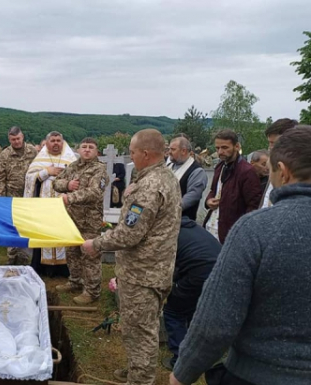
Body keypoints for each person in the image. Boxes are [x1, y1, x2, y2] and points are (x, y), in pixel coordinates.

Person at [170, 126, 311, 385]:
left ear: (284, 171)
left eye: (272, 170)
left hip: (256, 373)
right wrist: (211, 201)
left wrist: (183, 373)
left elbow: (217, 320)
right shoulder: (223, 170)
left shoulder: (255, 230)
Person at [82, 129, 181, 385]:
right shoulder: (165, 177)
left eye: (134, 152)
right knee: (138, 328)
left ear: (146, 153)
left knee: (140, 334)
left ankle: (140, 380)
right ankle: (136, 369)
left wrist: (96, 243)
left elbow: (128, 235)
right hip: (155, 268)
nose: (132, 156)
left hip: (142, 274)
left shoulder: (149, 186)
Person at [53, 137, 109, 304]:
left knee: (90, 255)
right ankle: (75, 281)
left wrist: (70, 198)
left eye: (90, 147)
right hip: (72, 219)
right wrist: (68, 185)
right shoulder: (73, 167)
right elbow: (56, 183)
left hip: (89, 220)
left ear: (96, 151)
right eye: (83, 146)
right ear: (78, 150)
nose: (86, 149)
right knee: (72, 253)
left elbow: (94, 193)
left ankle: (92, 291)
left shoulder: (100, 170)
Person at [162, 216, 221, 371]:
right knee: (192, 309)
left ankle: (180, 361)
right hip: (220, 271)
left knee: (173, 312)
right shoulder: (193, 228)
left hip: (199, 273)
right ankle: (196, 350)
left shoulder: (170, 235)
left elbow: (167, 268)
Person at [24, 131, 77, 276]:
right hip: (44, 206)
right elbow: (30, 179)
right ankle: (41, 267)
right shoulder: (40, 159)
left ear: (63, 142)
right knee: (44, 234)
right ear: (47, 143)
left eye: (58, 140)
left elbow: (78, 180)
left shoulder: (70, 159)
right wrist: (47, 171)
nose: (55, 143)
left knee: (62, 234)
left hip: (64, 205)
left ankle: (63, 269)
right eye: (52, 140)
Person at [203, 130, 262, 244]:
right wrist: (208, 201)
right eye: (217, 148)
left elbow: (253, 205)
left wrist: (242, 232)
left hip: (231, 232)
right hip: (211, 226)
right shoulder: (220, 166)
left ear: (237, 146)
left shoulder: (247, 171)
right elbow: (213, 190)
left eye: (225, 147)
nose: (220, 152)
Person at [0, 126, 38, 265]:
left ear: (22, 136)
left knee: (27, 227)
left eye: (18, 138)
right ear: (9, 139)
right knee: (11, 228)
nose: (16, 142)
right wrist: (2, 199)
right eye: (13, 139)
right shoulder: (5, 154)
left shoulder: (33, 151)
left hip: (29, 197)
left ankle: (24, 258)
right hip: (11, 198)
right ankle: (12, 257)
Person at [259, 118, 298, 208]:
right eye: (269, 143)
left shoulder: (298, 174)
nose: (270, 148)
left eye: (273, 143)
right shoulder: (275, 167)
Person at [167, 137, 207, 221]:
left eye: (173, 149)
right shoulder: (169, 166)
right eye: (169, 149)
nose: (169, 152)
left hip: (183, 221)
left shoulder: (197, 171)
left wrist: (168, 210)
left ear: (183, 151)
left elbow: (192, 196)